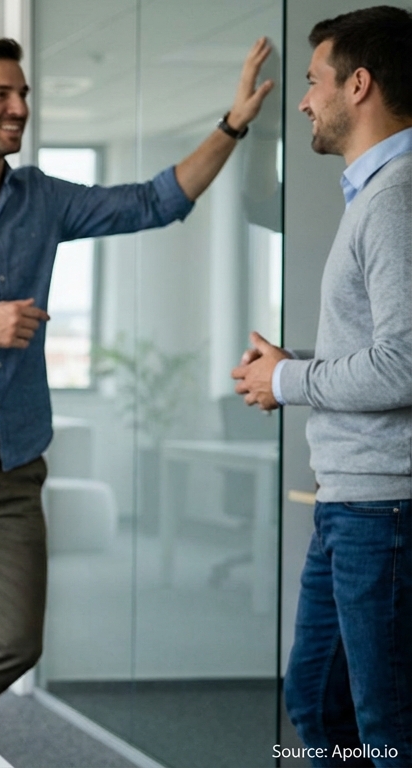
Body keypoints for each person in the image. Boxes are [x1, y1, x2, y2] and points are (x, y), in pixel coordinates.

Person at [0, 36, 275, 722]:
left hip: (13, 462)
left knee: (13, 639)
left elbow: (153, 202)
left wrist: (232, 124)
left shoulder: (40, 199)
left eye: (24, 95)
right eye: (0, 95)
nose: (19, 108)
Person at [232, 7, 412, 763]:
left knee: (385, 729)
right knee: (316, 701)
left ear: (358, 85)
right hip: (351, 502)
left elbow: (404, 363)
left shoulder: (398, 197)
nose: (304, 100)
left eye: (312, 82)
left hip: (385, 507)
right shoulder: (374, 195)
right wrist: (295, 365)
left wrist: (291, 377)